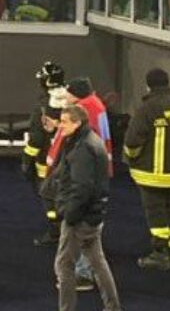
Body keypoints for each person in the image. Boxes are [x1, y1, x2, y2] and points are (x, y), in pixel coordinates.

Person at [51, 105, 123, 311]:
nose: (60, 126)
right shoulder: (89, 141)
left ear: (77, 123)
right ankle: (113, 307)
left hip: (80, 218)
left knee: (64, 265)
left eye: (64, 122)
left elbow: (82, 188)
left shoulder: (83, 148)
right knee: (98, 262)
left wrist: (69, 214)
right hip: (94, 215)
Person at [123, 68, 170, 270]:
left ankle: (160, 253)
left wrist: (133, 157)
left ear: (149, 86)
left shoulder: (147, 109)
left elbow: (132, 141)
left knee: (155, 213)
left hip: (150, 173)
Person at [24, 61, 67, 246]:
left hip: (47, 162)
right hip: (69, 159)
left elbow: (36, 139)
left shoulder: (43, 108)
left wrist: (27, 160)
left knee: (48, 196)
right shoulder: (73, 101)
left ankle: (55, 231)